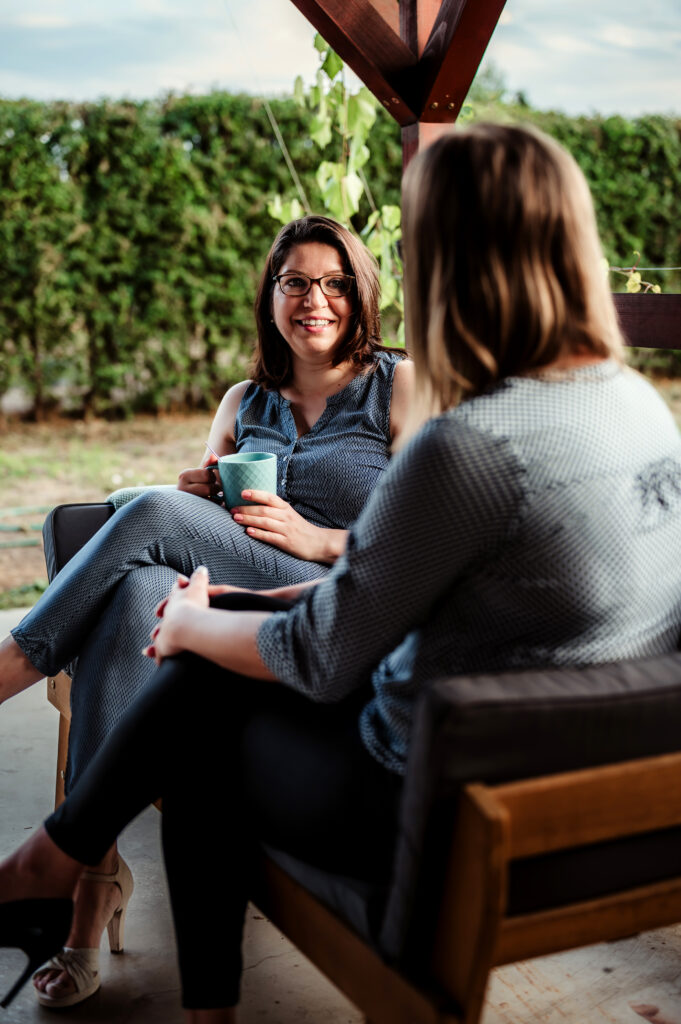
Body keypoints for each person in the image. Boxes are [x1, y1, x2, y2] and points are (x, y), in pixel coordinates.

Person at [1, 122, 681, 1024]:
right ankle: (61, 869)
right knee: (178, 609)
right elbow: (431, 587)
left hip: (420, 800)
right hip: (570, 788)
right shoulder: (636, 408)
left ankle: (61, 878)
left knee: (201, 699)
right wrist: (243, 595)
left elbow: (322, 655)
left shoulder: (469, 444)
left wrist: (198, 624)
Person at [0, 214, 413, 1008]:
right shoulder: (242, 400)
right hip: (228, 591)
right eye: (294, 282)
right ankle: (90, 894)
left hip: (325, 601)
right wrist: (195, 494)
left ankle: (13, 673)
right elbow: (183, 527)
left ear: (360, 297)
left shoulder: (399, 386)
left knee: (150, 516)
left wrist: (318, 538)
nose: (314, 300)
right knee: (132, 591)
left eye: (334, 283)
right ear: (270, 294)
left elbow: (416, 543)